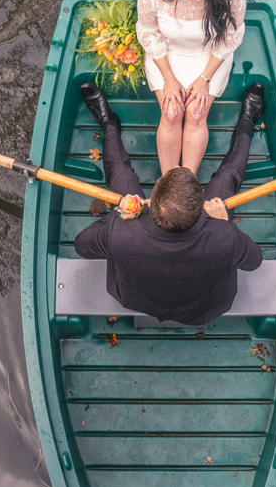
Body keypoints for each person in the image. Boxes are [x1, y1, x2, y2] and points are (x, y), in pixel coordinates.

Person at [74, 82, 265, 326]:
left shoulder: (118, 231)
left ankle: (109, 124)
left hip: (136, 298)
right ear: (202, 206)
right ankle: (246, 124)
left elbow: (82, 246)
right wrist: (224, 221)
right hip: (204, 307)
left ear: (152, 202)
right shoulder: (225, 236)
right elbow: (254, 261)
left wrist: (118, 213)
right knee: (227, 178)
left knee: (121, 176)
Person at [136, 0, 248, 176]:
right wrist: (169, 78)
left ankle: (186, 178)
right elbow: (150, 34)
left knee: (196, 115)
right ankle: (169, 179)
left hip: (208, 58)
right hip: (166, 56)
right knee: (172, 112)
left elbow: (228, 40)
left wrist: (204, 79)